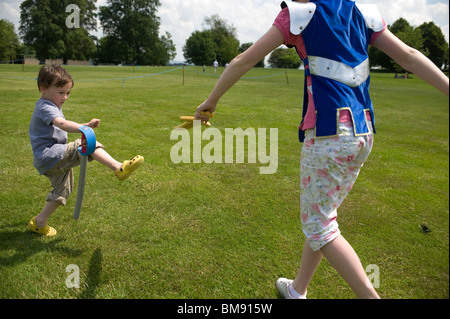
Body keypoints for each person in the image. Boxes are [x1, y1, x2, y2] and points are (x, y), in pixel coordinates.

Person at [195, 0, 449, 299]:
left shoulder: (297, 15)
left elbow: (242, 61)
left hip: (330, 135)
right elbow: (409, 56)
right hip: (363, 133)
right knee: (323, 213)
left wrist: (210, 101)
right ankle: (297, 289)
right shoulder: (364, 13)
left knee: (319, 224)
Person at [29, 65, 144, 237]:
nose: (65, 97)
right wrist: (85, 128)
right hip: (50, 154)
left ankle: (39, 222)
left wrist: (85, 126)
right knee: (86, 144)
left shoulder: (50, 104)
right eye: (61, 92)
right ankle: (119, 168)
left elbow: (63, 124)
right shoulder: (46, 106)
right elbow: (61, 124)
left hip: (47, 159)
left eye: (68, 93)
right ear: (43, 88)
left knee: (63, 190)